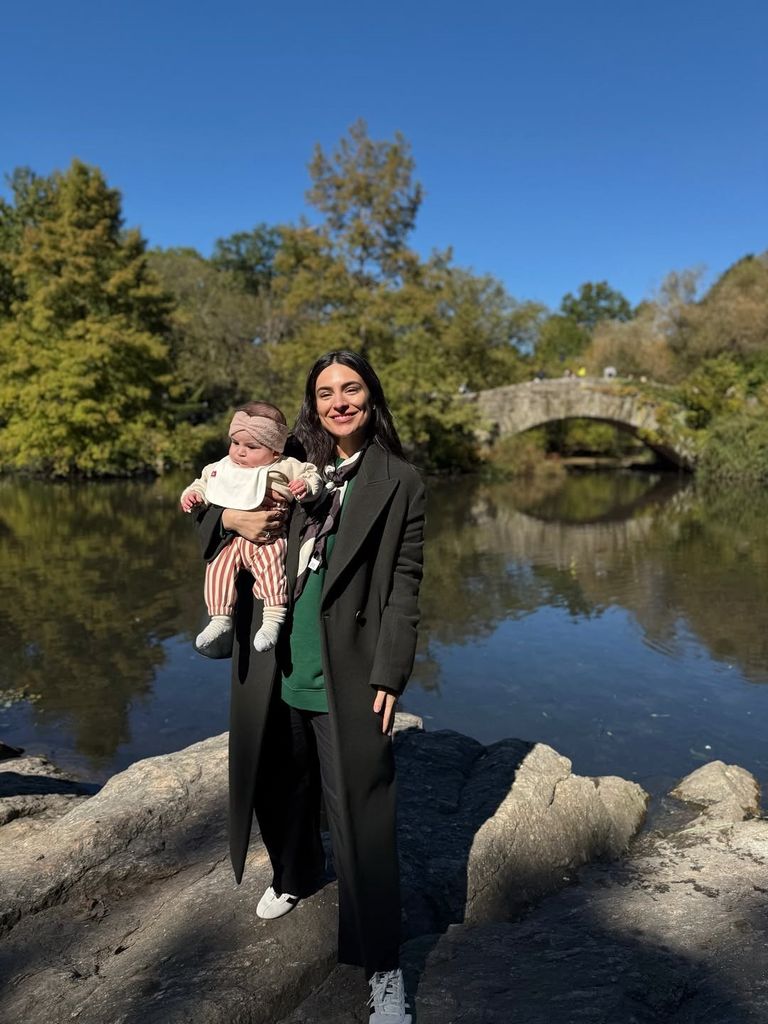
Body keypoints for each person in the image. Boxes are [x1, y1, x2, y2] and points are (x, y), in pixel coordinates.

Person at [196, 352, 425, 1024]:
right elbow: (207, 496)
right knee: (277, 779)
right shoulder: (288, 457)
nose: (339, 402)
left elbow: (405, 582)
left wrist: (390, 671)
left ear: (371, 396)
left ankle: (382, 966)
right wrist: (232, 522)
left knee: (362, 811)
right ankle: (294, 874)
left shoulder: (399, 479)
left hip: (346, 663)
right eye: (325, 392)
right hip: (273, 651)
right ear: (312, 403)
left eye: (351, 389)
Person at [182, 401, 322, 657]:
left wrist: (305, 485)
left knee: (272, 569)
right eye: (235, 443)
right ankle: (220, 618)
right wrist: (193, 497)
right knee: (217, 568)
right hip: (231, 542)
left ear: (275, 451)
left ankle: (272, 619)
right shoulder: (222, 467)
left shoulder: (284, 466)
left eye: (252, 447)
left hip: (268, 538)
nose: (240, 452)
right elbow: (202, 484)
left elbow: (311, 474)